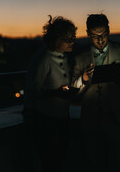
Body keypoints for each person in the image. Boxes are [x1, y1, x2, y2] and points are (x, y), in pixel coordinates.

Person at [72, 13, 120, 172]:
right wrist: (83, 78)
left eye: (103, 35)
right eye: (95, 36)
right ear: (88, 34)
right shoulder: (81, 57)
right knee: (95, 166)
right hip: (91, 122)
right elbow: (74, 92)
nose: (100, 40)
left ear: (109, 30)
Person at [23, 15, 77, 172]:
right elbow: (33, 89)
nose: (72, 42)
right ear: (55, 39)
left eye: (73, 38)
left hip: (60, 118)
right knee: (51, 163)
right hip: (46, 121)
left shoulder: (63, 57)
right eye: (68, 39)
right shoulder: (43, 59)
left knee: (57, 161)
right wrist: (56, 92)